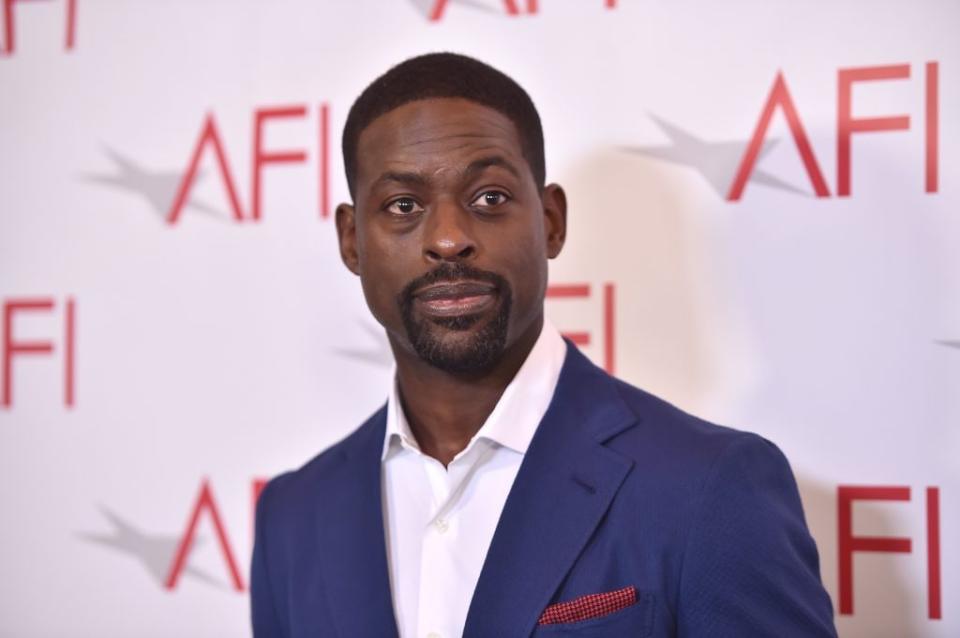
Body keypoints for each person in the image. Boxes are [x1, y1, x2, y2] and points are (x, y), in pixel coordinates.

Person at [250, 52, 837, 638]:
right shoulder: (293, 518)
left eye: (489, 199)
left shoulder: (708, 487)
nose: (450, 239)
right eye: (404, 206)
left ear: (551, 221)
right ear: (352, 242)